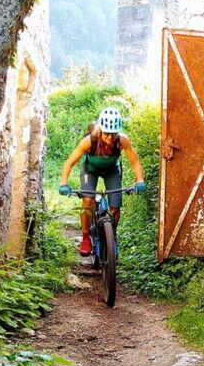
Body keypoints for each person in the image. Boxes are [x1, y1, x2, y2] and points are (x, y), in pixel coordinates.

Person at [59, 107, 146, 256]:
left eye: (113, 134)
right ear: (101, 130)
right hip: (90, 170)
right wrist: (63, 183)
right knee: (87, 200)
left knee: (115, 208)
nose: (110, 138)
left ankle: (112, 238)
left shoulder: (122, 140)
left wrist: (139, 180)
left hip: (111, 171)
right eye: (107, 134)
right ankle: (86, 237)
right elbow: (70, 162)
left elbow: (135, 161)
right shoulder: (89, 141)